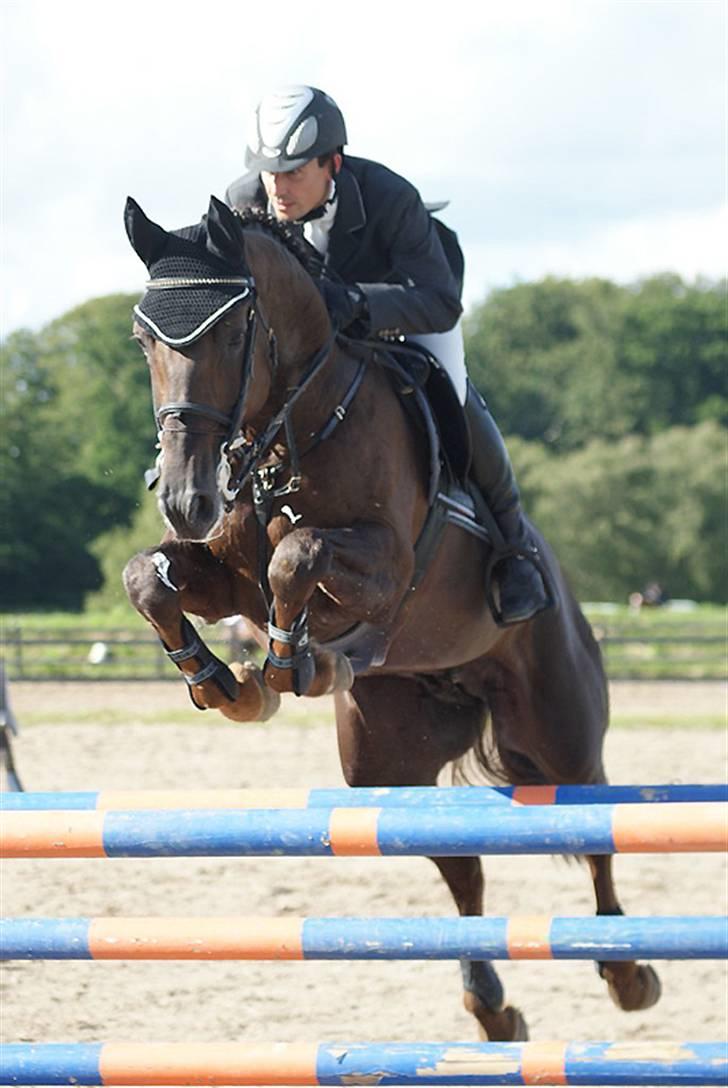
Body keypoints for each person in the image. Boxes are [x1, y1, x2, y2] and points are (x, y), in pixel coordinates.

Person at [226, 85, 550, 625]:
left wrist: (353, 302)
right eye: (269, 173)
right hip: (312, 343)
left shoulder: (388, 197)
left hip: (402, 314)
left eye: (294, 172)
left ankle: (515, 551)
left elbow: (440, 301)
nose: (278, 188)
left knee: (456, 394)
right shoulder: (245, 202)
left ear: (333, 162)